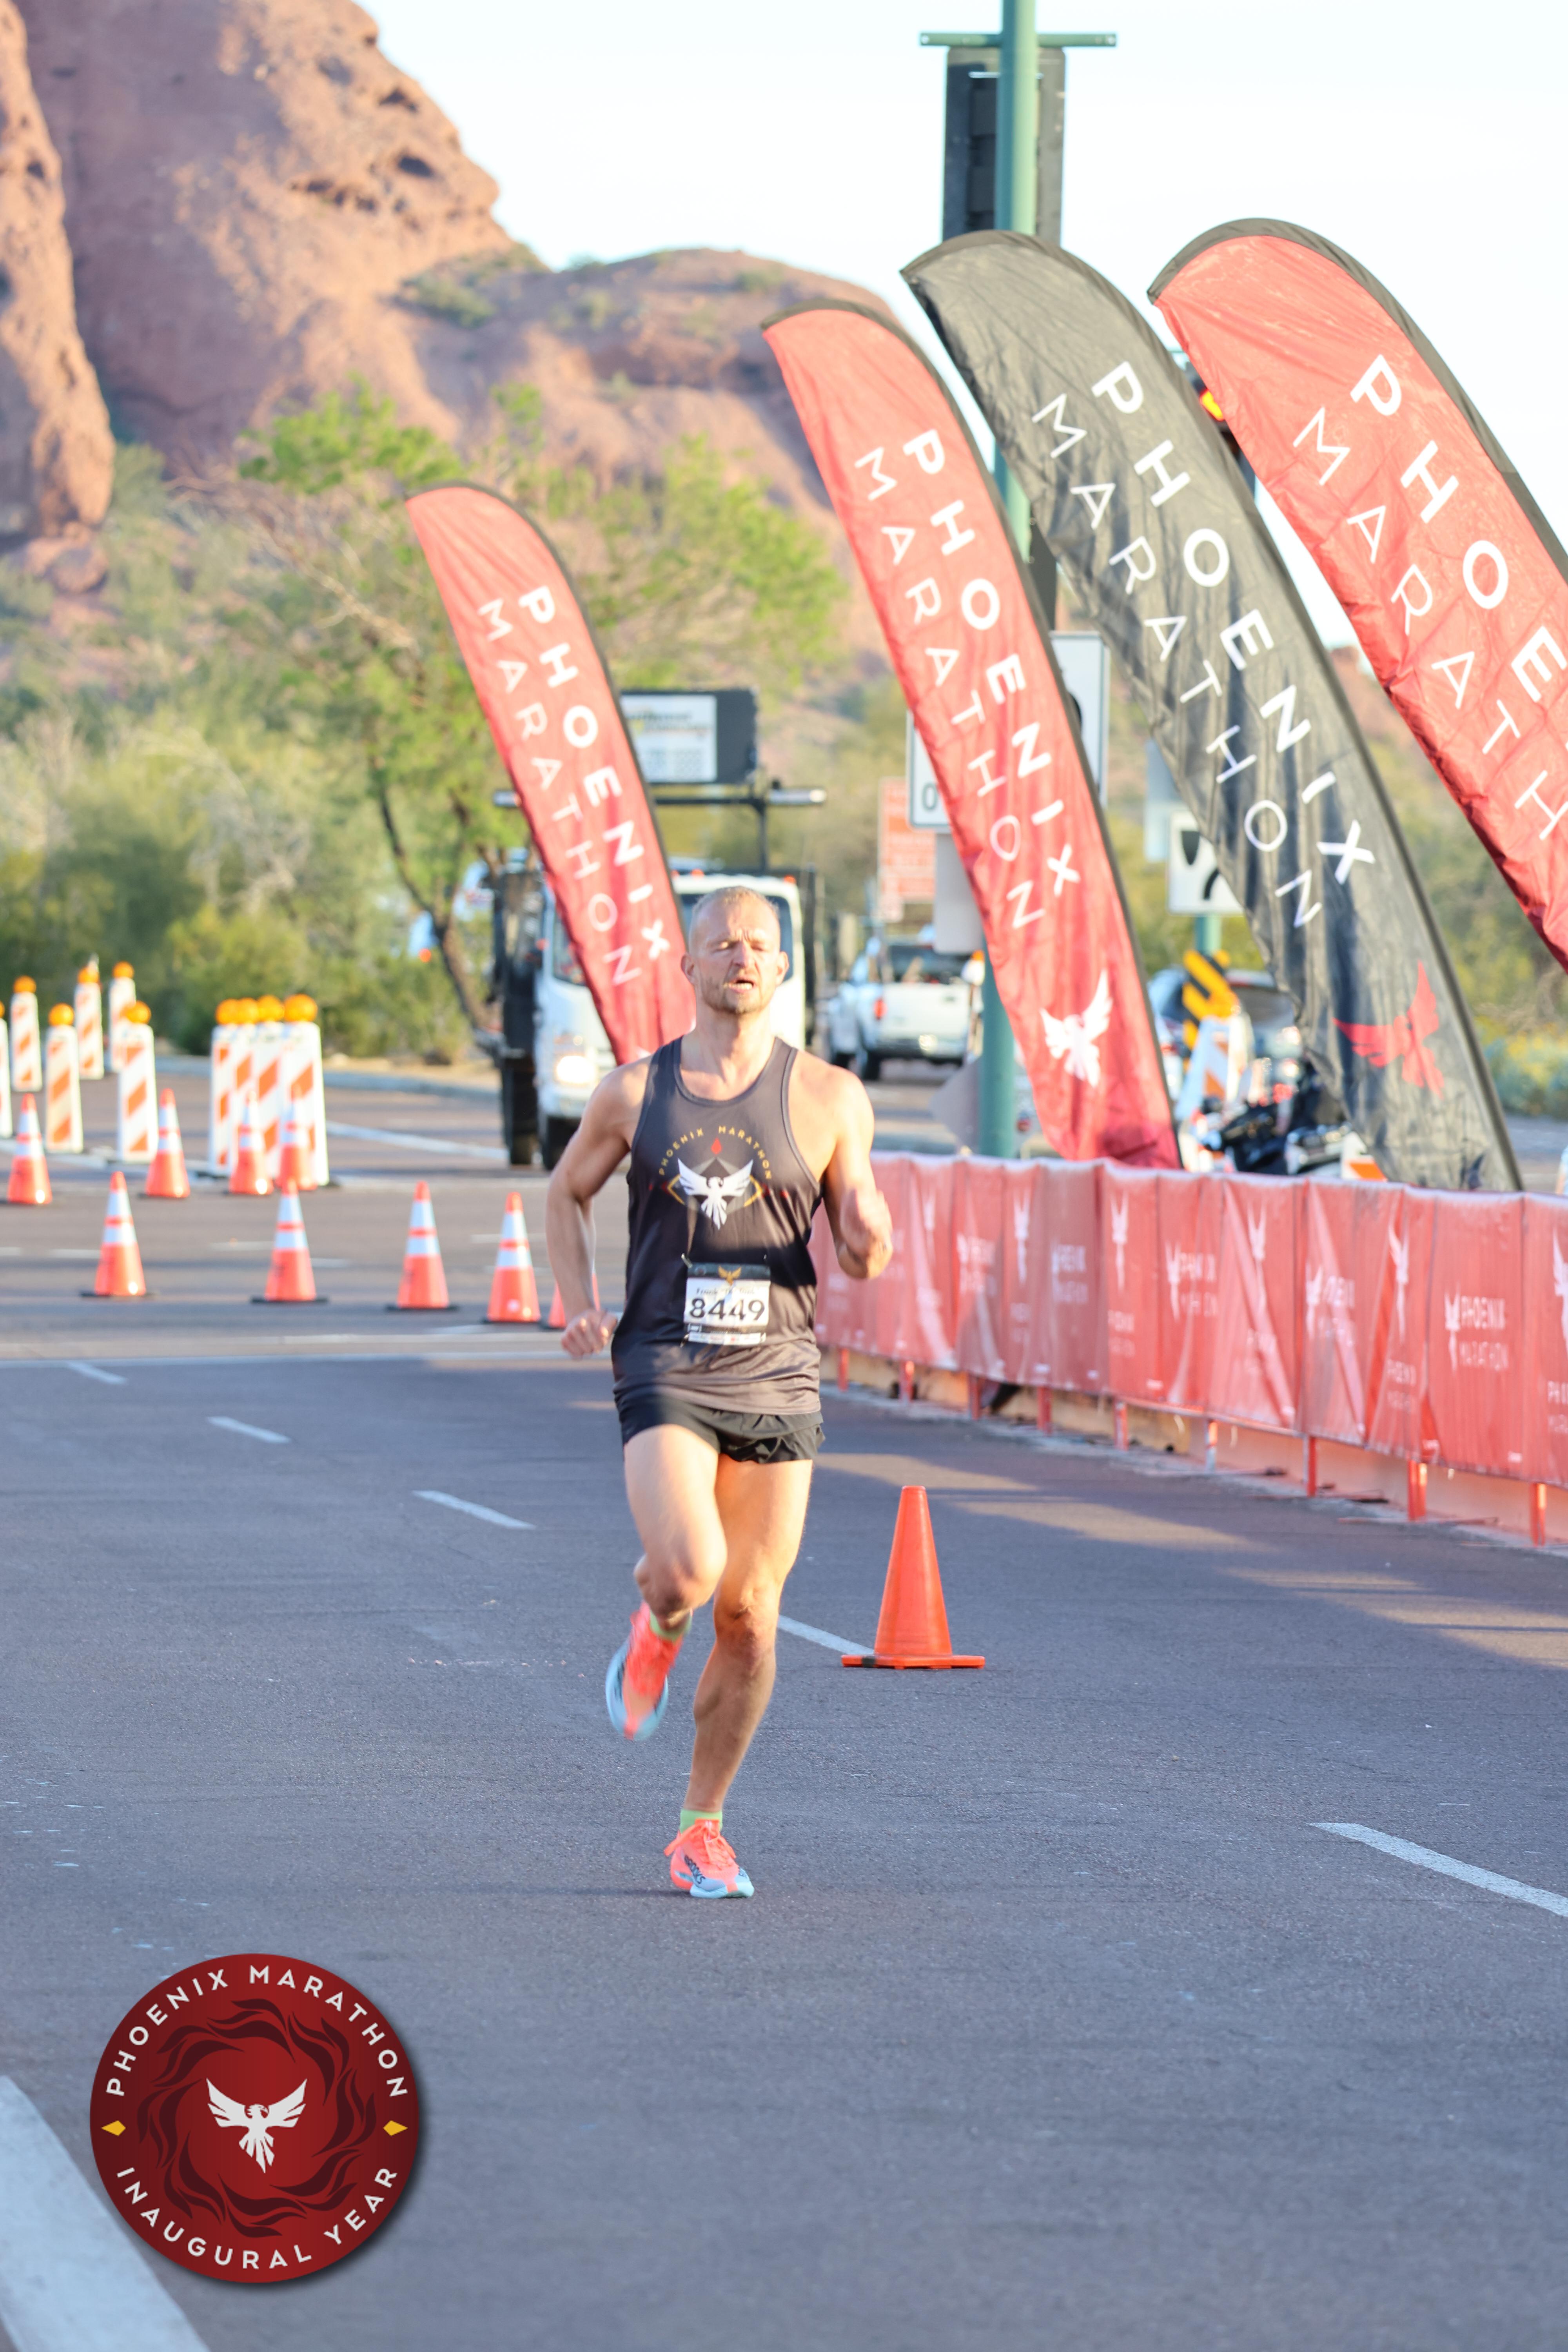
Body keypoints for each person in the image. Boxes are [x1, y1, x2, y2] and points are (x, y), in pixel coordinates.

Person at [544, 885, 892, 1899]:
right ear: (689, 966)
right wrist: (578, 1302)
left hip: (778, 1372)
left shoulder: (831, 1097)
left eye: (758, 945)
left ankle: (702, 1829)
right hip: (665, 1360)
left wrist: (867, 1235)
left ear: (781, 969)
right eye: (721, 944)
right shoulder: (634, 1092)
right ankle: (658, 1623)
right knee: (692, 1568)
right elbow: (566, 1190)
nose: (740, 957)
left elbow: (862, 1242)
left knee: (749, 1613)